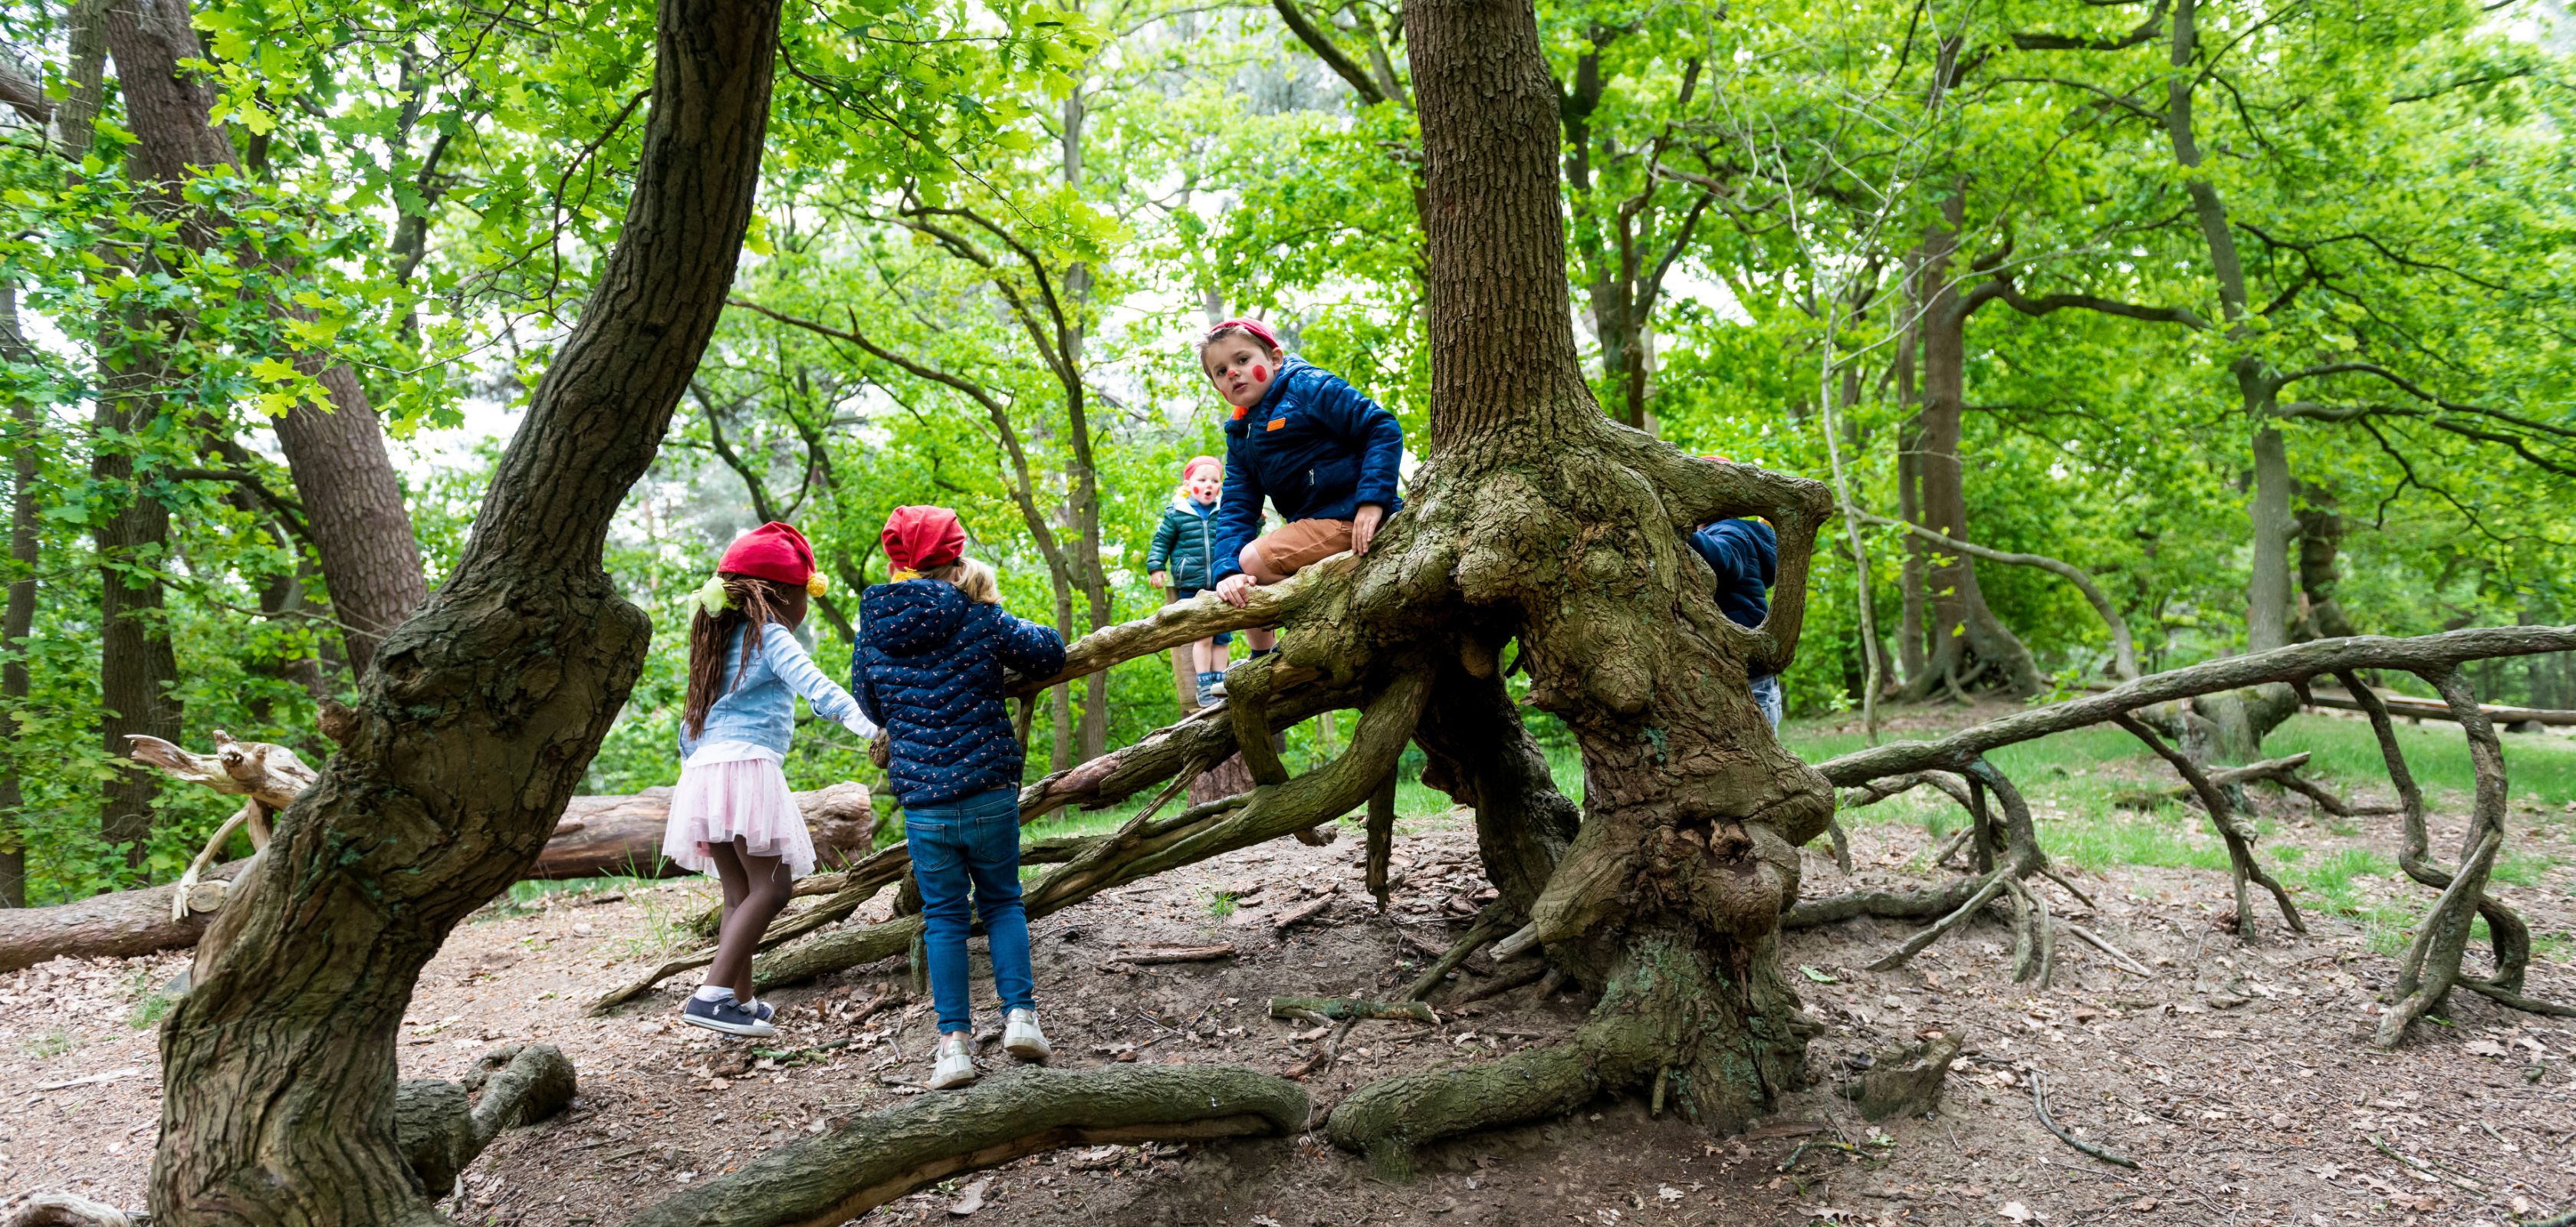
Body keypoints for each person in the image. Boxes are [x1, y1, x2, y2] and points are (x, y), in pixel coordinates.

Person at [850, 506, 1067, 1090]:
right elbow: (1049, 652)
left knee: (944, 919)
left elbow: (871, 705)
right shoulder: (980, 616)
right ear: (956, 554)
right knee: (1002, 903)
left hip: (925, 803)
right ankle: (1022, 1018)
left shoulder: (874, 627)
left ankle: (953, 1048)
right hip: (989, 790)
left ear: (900, 561)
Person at [668, 521, 878, 1039]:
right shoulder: (772, 635)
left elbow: (691, 724)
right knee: (775, 886)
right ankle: (712, 994)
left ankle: (740, 1000)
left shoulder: (718, 639)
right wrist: (873, 725)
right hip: (745, 767)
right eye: (804, 594)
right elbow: (818, 689)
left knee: (738, 891)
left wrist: (696, 779)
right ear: (782, 595)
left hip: (703, 772)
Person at [1198, 320, 1405, 663]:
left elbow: (1380, 427)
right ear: (1217, 385)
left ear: (1275, 359)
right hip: (1319, 524)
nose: (1233, 372)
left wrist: (1372, 501)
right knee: (1239, 570)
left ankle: (1306, 628)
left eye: (1243, 360)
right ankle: (1263, 657)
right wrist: (1226, 572)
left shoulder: (1307, 386)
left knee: (1253, 559)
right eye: (1221, 371)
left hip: (1353, 518)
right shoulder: (1241, 436)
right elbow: (1236, 506)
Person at [1145, 454, 1235, 706]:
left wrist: (1258, 523)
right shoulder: (1178, 513)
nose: (1209, 485)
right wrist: (1156, 567)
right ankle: (1204, 684)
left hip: (1222, 582)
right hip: (1192, 585)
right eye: (1202, 479)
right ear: (1187, 484)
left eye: (1215, 480)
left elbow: (1236, 534)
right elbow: (1161, 541)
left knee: (1223, 637)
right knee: (1203, 635)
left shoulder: (1224, 511)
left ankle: (1221, 684)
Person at [1690, 512, 1783, 729]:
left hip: (1750, 675)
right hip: (1736, 669)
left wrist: (1684, 533)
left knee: (1758, 746)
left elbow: (1721, 560)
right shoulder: (1733, 531)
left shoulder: (1732, 530)